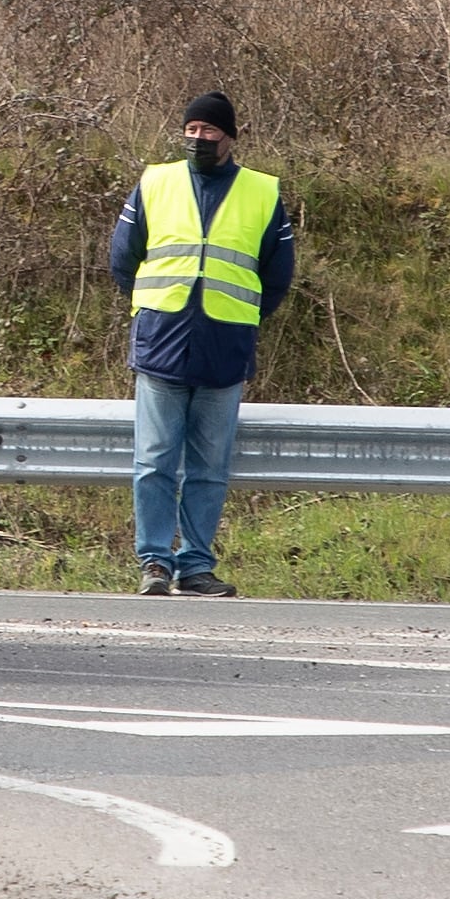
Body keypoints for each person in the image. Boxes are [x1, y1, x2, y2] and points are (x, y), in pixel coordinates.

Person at [107, 91, 291, 598]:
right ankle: (154, 564)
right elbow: (123, 259)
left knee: (210, 470)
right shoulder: (155, 182)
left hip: (225, 348)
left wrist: (245, 321)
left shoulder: (263, 192)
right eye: (191, 129)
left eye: (208, 131)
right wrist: (150, 309)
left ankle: (196, 566)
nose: (198, 138)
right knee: (154, 463)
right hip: (161, 345)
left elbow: (278, 277)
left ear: (230, 137)